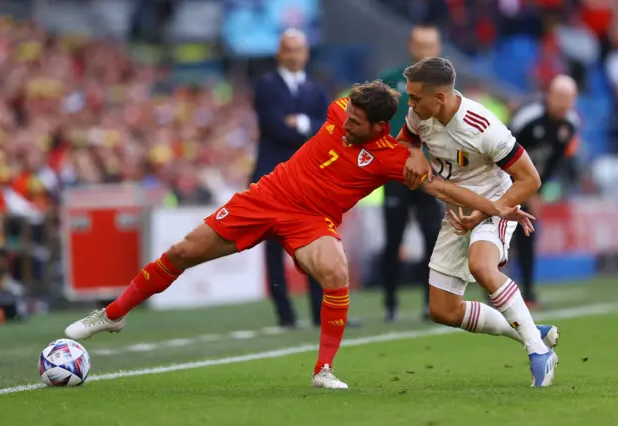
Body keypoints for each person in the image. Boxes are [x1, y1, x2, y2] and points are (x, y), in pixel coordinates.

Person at [65, 80, 533, 389]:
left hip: (312, 222)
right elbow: (369, 100)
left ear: (377, 128)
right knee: (184, 250)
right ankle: (111, 314)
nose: (346, 122)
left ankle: (323, 370)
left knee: (336, 270)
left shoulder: (392, 157)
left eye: (356, 123)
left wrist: (497, 207)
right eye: (347, 116)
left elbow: (441, 186)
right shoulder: (338, 109)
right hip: (267, 198)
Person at [399, 57, 559, 387]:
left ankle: (538, 353)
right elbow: (408, 139)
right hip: (455, 211)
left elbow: (530, 180)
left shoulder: (483, 127)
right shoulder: (419, 113)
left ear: (440, 97)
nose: (410, 104)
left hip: (495, 203)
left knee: (482, 267)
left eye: (416, 98)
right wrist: (413, 151)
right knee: (443, 311)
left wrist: (490, 210)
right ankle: (529, 329)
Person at [251, 29, 329, 328]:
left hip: (307, 178)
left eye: (299, 49)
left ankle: (318, 311)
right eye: (289, 49)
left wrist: (302, 122)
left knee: (314, 242)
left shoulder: (316, 88)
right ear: (279, 54)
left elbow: (327, 129)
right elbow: (275, 127)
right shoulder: (266, 86)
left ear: (306, 53)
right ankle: (285, 314)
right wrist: (308, 128)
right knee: (273, 247)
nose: (294, 55)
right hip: (272, 177)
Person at [378, 25, 444, 322]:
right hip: (396, 173)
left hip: (430, 175)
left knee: (433, 237)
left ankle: (431, 302)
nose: (424, 51)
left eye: (430, 45)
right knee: (394, 239)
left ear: (438, 48)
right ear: (411, 46)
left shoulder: (448, 88)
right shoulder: (392, 81)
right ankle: (390, 303)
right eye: (420, 45)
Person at [508, 75, 579, 307]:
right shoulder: (528, 118)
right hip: (502, 179)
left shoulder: (571, 124)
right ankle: (494, 287)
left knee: (528, 233)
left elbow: (554, 161)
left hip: (530, 185)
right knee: (500, 234)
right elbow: (504, 151)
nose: (562, 103)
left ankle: (527, 291)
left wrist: (538, 190)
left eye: (568, 98)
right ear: (548, 95)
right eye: (558, 96)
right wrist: (527, 191)